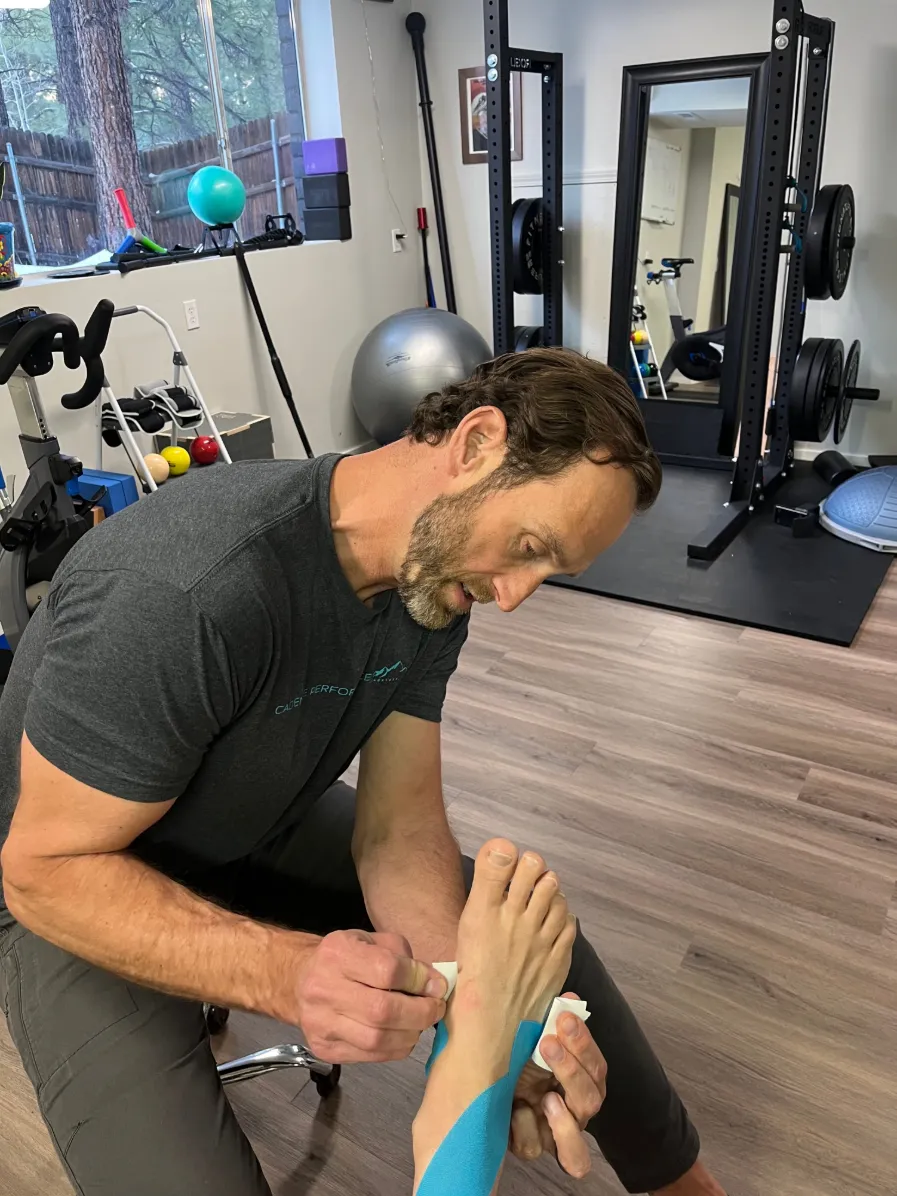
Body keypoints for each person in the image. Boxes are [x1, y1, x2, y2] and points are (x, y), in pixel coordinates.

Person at [0, 347, 725, 1196]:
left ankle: (683, 1183)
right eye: (529, 547)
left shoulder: (432, 581)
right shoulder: (186, 589)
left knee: (525, 950)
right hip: (73, 883)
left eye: (547, 573)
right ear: (475, 443)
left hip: (254, 821)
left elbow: (399, 831)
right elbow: (41, 871)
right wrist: (286, 972)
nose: (515, 595)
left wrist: (484, 1015)